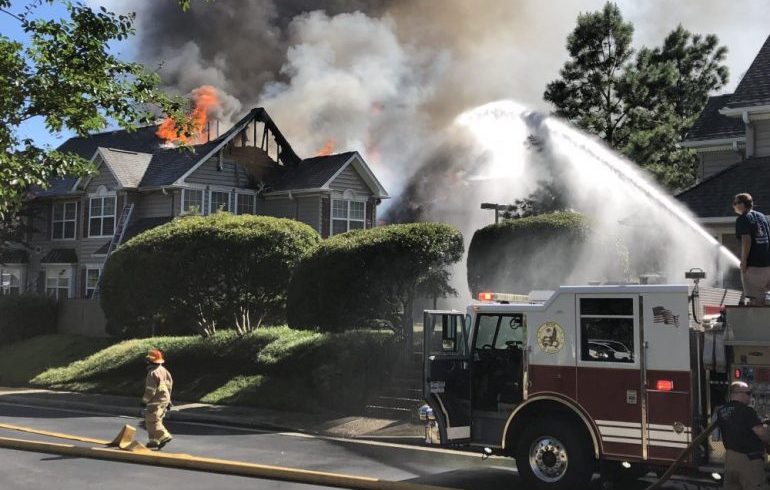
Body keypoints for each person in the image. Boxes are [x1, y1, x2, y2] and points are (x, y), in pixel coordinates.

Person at [716, 381, 770, 490]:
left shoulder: (721, 411)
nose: (750, 397)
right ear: (738, 393)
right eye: (748, 393)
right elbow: (760, 432)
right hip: (749, 460)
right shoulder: (747, 411)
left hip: (730, 460)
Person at [733, 193, 770, 305]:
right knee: (766, 300)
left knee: (755, 302)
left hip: (754, 267)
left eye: (735, 203)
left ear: (742, 204)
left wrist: (744, 261)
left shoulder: (742, 219)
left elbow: (746, 240)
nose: (733, 206)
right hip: (767, 266)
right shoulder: (762, 217)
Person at [141, 348, 173, 449]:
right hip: (164, 398)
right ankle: (154, 441)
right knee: (152, 419)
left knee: (152, 420)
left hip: (155, 400)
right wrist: (169, 401)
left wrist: (144, 401)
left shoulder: (152, 373)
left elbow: (150, 391)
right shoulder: (164, 371)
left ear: (149, 361)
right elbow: (169, 386)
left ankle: (163, 436)